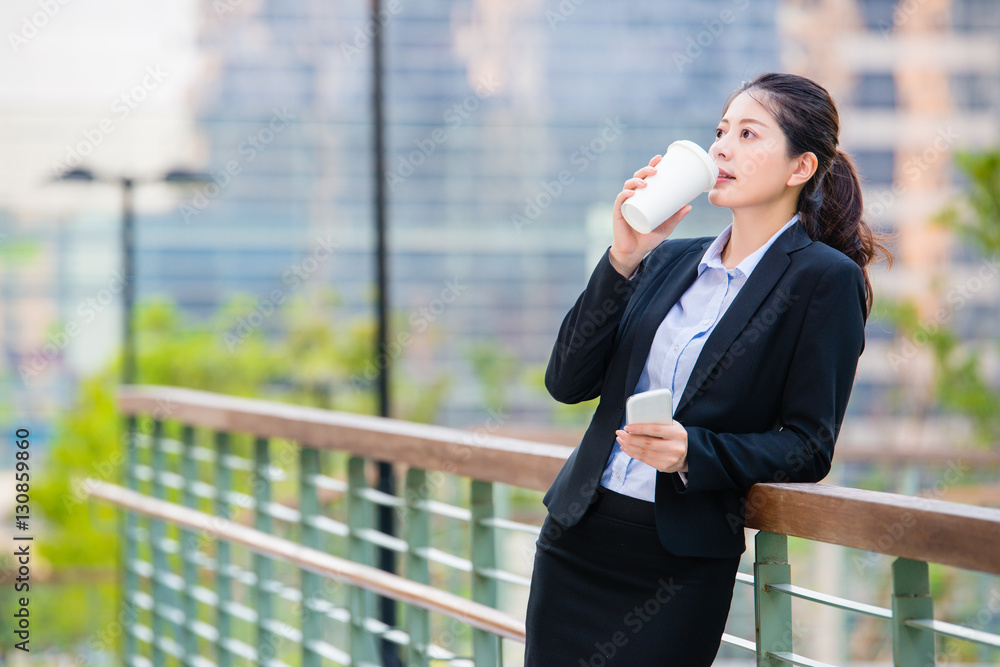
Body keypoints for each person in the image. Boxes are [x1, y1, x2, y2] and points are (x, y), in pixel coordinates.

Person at [523, 72, 894, 665]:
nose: (722, 147)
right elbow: (566, 382)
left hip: (677, 564)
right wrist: (623, 257)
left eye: (748, 134)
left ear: (800, 168)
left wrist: (694, 452)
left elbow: (808, 446)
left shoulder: (823, 279)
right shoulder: (668, 258)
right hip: (579, 535)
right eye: (722, 131)